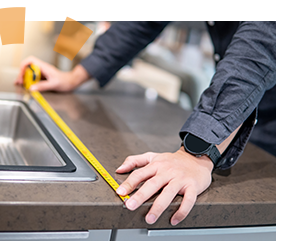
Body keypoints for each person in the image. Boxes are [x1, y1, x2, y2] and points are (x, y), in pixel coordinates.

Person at [15, 21, 276, 226]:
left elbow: (262, 40)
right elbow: (141, 23)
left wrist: (197, 153)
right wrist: (76, 76)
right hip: (238, 113)